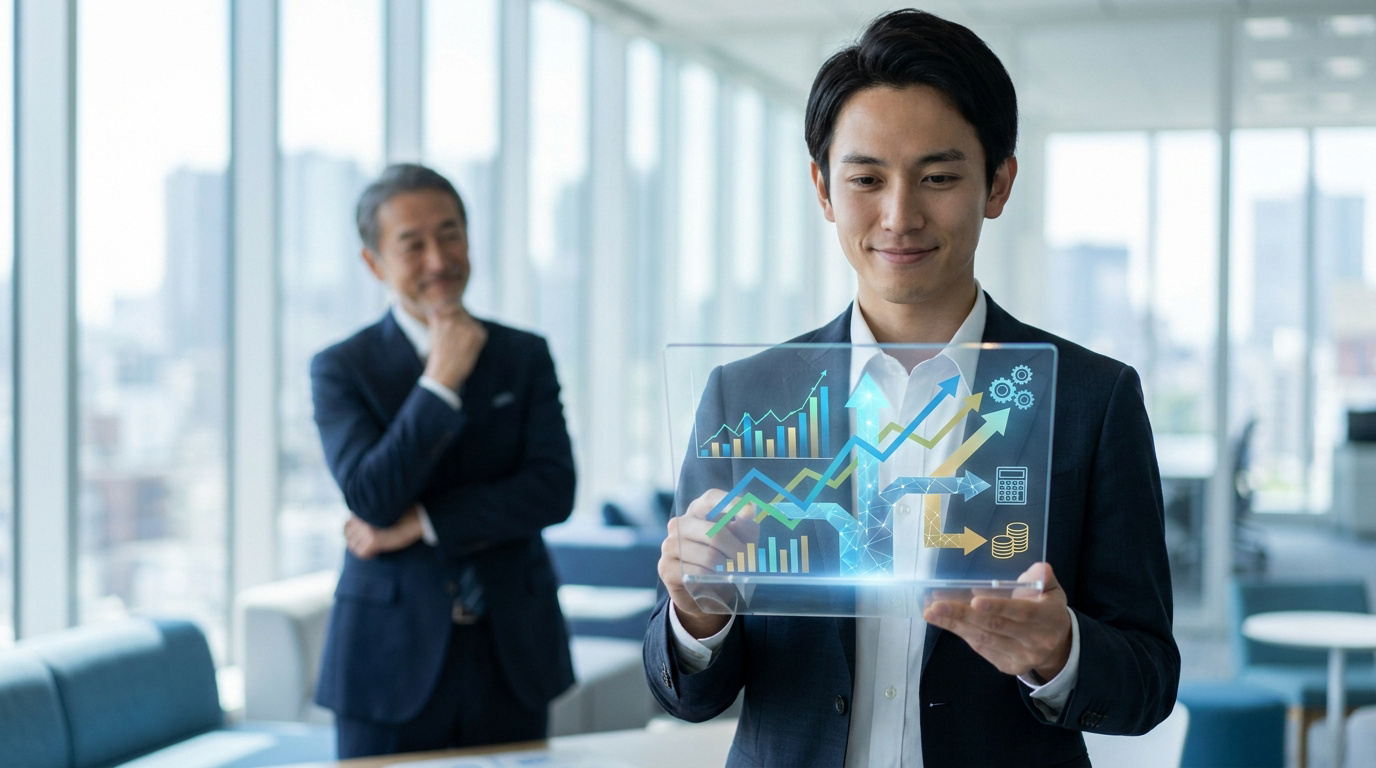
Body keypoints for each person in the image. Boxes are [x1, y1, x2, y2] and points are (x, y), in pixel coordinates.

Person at [643, 10, 1178, 767]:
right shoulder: (745, 397)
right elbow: (686, 692)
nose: (900, 216)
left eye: (938, 176)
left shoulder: (1093, 401)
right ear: (824, 189)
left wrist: (1061, 650)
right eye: (866, 178)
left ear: (998, 183)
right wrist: (697, 618)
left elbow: (1150, 681)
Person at [311, 163, 576, 758]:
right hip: (387, 658)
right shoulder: (340, 368)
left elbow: (554, 489)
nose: (438, 257)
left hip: (511, 649)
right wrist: (439, 384)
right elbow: (371, 496)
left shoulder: (523, 355)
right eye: (412, 244)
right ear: (374, 263)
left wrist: (421, 522)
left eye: (450, 233)